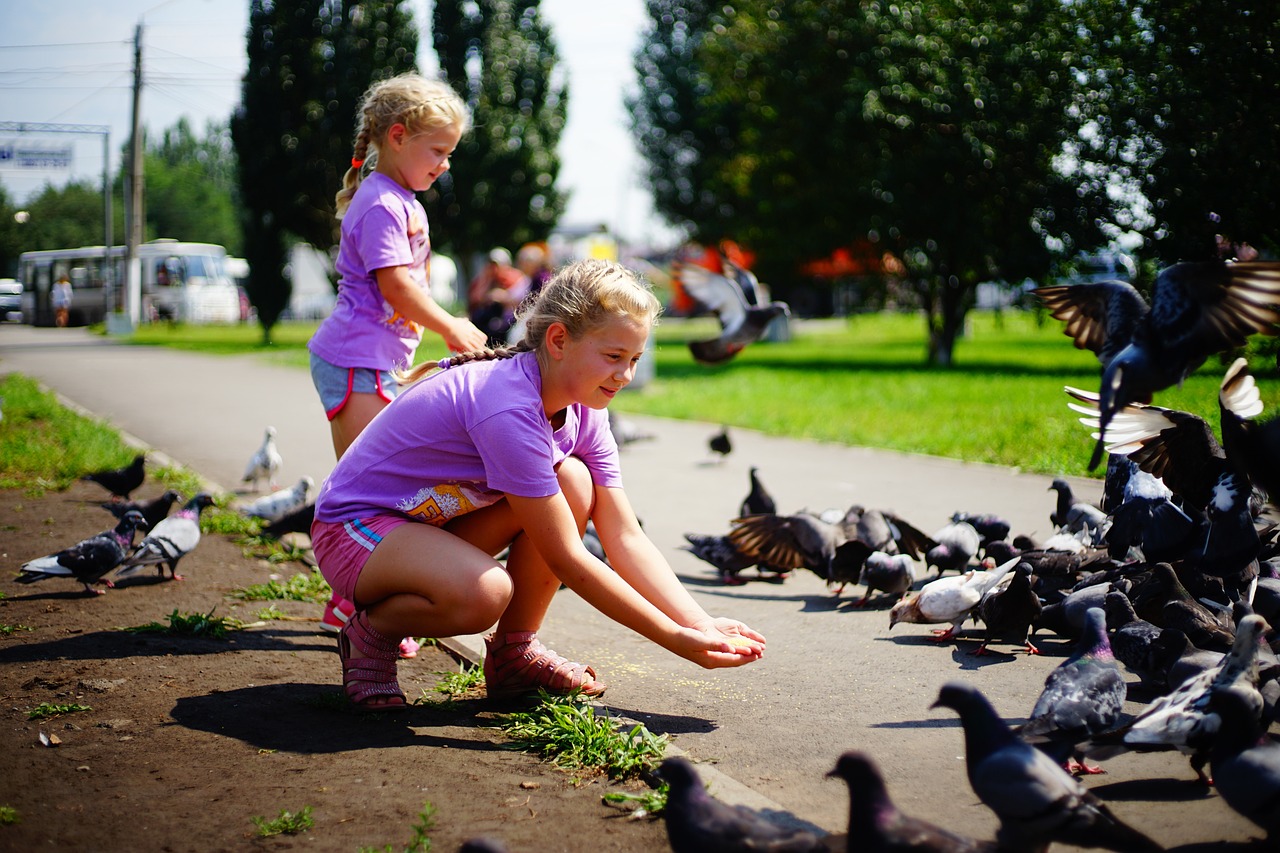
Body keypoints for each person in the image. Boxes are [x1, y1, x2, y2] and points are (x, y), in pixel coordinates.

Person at [310, 259, 766, 710]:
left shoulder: (586, 407)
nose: (625, 376)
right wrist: (674, 640)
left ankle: (514, 654)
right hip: (354, 533)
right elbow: (568, 558)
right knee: (482, 595)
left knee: (572, 479)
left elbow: (624, 534)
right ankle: (372, 633)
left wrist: (699, 623)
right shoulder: (508, 407)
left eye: (634, 360)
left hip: (426, 529)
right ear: (559, 339)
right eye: (613, 357)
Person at [307, 73, 488, 651]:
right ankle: (355, 604)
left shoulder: (399, 199)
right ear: (398, 136)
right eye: (438, 151)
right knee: (370, 494)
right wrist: (452, 326)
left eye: (450, 153)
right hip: (355, 362)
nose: (445, 164)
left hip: (374, 361)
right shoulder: (381, 202)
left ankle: (363, 600)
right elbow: (396, 289)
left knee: (382, 486)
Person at [467, 247, 530, 346]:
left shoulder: (516, 278)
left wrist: (500, 296)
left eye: (496, 265)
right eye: (491, 265)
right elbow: (475, 298)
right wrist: (487, 280)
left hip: (509, 319)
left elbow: (519, 301)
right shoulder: (486, 279)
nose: (494, 268)